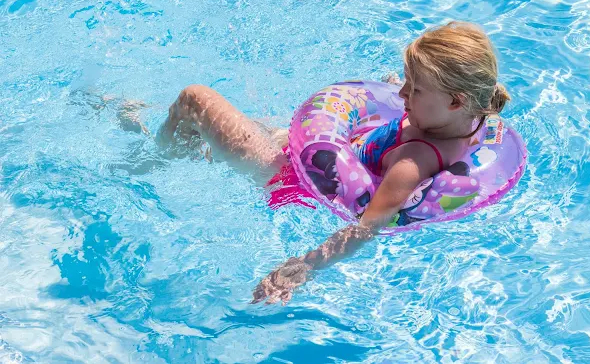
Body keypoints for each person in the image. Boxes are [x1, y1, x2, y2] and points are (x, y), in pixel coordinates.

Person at [155, 21, 511, 305]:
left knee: (194, 98)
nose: (402, 93)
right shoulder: (475, 118)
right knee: (235, 126)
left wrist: (302, 266)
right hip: (330, 151)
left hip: (288, 175)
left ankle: (153, 159)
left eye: (414, 90)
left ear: (454, 101)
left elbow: (367, 227)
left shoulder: (412, 163)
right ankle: (192, 147)